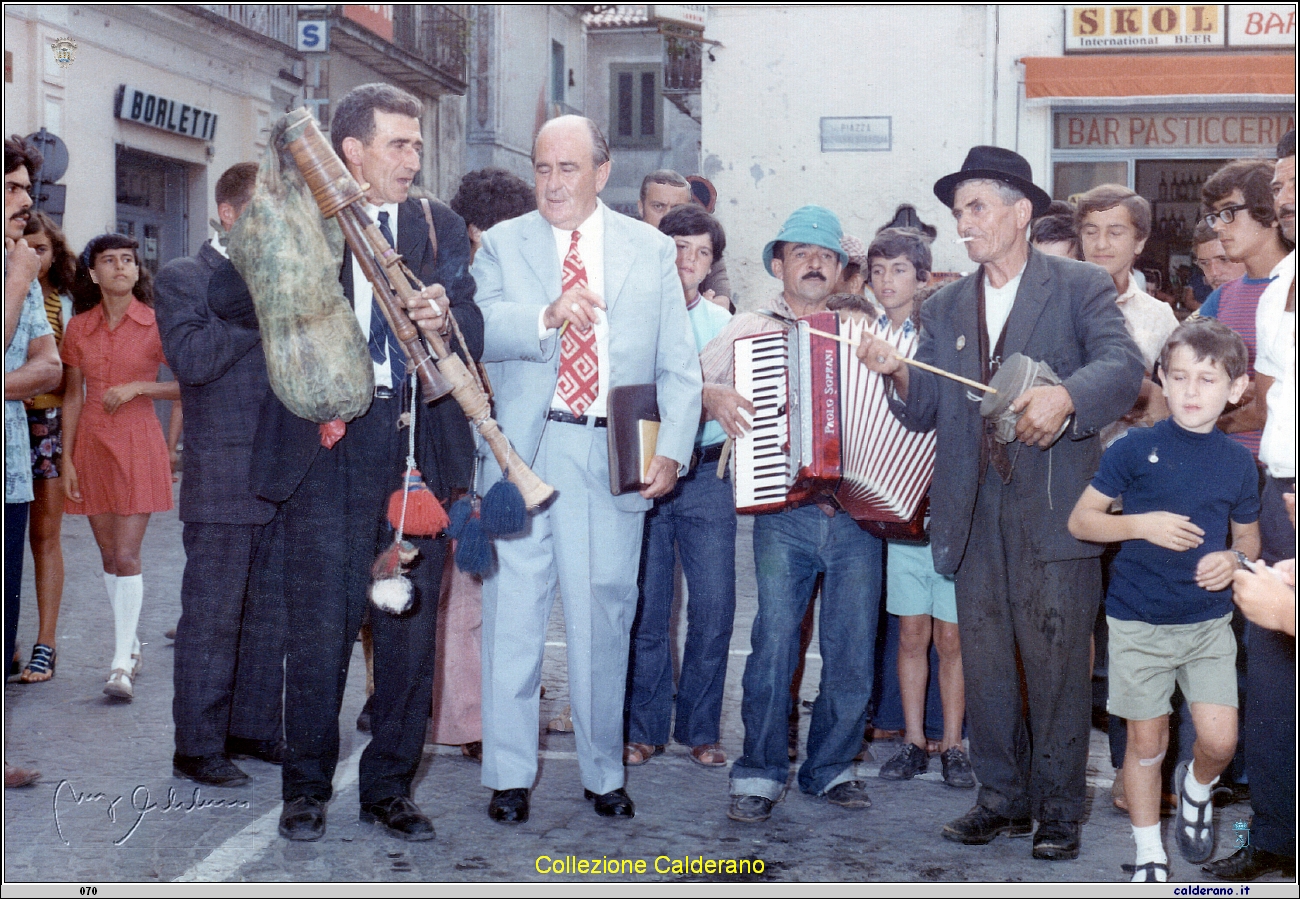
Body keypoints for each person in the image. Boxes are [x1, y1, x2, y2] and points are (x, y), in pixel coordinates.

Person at [857, 145, 1143, 860]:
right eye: (958, 213)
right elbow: (922, 409)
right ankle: (1000, 797)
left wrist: (1069, 395)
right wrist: (895, 373)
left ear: (1021, 213)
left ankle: (1057, 808)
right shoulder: (946, 302)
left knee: (1054, 667)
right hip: (971, 511)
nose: (964, 223)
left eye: (976, 208)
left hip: (1055, 511)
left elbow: (1123, 366)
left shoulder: (1079, 285)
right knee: (985, 662)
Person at [245, 82, 482, 843]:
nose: (414, 159)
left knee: (408, 632)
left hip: (416, 449)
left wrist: (444, 311)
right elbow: (229, 294)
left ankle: (389, 789)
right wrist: (276, 215)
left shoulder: (436, 226)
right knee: (318, 631)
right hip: (328, 450)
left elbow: (470, 315)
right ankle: (305, 791)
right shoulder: (298, 221)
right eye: (399, 144)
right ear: (351, 150)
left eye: (418, 144)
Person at [469, 115, 701, 825]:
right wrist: (546, 314)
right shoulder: (506, 243)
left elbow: (676, 364)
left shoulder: (648, 249)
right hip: (521, 455)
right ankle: (508, 775)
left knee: (605, 618)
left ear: (602, 173)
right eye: (543, 168)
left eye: (568, 168)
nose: (552, 182)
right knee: (511, 618)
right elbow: (475, 325)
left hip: (611, 453)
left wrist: (673, 447)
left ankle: (603, 772)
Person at [699, 205, 883, 824]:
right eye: (800, 253)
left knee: (853, 648)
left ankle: (831, 768)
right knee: (774, 642)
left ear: (839, 268)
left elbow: (902, 412)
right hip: (784, 512)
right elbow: (684, 385)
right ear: (778, 262)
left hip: (859, 512)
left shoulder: (867, 329)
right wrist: (710, 394)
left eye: (825, 256)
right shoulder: (746, 325)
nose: (813, 264)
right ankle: (758, 770)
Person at [1069, 318, 1261, 881]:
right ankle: (1150, 853)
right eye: (1179, 377)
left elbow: (1247, 539)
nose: (1192, 391)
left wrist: (1234, 560)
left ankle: (1197, 786)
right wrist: (1140, 524)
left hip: (1207, 624)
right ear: (1160, 380)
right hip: (1138, 622)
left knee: (1220, 741)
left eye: (1207, 379)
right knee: (1147, 743)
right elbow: (1082, 522)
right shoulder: (1135, 448)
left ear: (1236, 389)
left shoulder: (1236, 461)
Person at [155, 162, 286, 787]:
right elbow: (194, 359)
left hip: (279, 472)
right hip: (222, 474)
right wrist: (253, 302)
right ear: (229, 214)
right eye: (262, 211)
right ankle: (197, 744)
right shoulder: (185, 277)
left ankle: (251, 728)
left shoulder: (282, 278)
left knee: (269, 614)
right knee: (212, 615)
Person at [1204, 129, 1296, 883]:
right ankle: (1275, 834)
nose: (1286, 195)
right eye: (1283, 183)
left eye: (1294, 183)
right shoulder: (1278, 286)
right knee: (1270, 678)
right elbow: (1266, 407)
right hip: (1278, 492)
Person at [624, 203, 736, 769]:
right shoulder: (633, 315)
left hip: (709, 475)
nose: (687, 261)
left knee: (714, 607)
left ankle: (701, 729)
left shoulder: (727, 326)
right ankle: (644, 728)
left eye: (701, 253)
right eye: (677, 248)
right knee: (647, 607)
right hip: (647, 470)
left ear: (711, 264)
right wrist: (698, 393)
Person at [865, 228, 974, 791]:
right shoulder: (858, 334)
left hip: (939, 502)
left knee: (952, 637)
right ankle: (912, 739)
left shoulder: (939, 337)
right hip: (890, 504)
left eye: (900, 270)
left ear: (923, 278)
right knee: (911, 633)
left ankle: (953, 742)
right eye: (878, 271)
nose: (888, 281)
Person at [61, 233, 179, 701]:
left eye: (128, 260)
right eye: (109, 261)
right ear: (93, 273)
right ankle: (129, 646)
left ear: (137, 269)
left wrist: (139, 388)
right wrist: (67, 459)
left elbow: (188, 385)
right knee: (109, 558)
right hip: (91, 445)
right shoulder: (77, 328)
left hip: (137, 442)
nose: (120, 268)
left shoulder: (157, 323)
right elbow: (73, 394)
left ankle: (119, 666)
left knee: (128, 556)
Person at [4, 135, 60, 788]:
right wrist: (17, 281)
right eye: (13, 189)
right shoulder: (19, 268)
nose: (26, 202)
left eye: (26, 188)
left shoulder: (20, 262)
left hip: (14, 473)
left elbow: (51, 365)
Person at [1195, 160, 1290, 460]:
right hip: (1227, 471)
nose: (1219, 227)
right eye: (1214, 216)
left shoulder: (1290, 289)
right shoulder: (1221, 298)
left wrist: (1211, 426)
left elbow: (1273, 406)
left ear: (1270, 212)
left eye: (1229, 213)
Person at [16, 211, 75, 683]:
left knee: (44, 535)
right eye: (27, 246)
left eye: (42, 248)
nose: (34, 256)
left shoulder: (63, 304)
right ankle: (11, 642)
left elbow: (69, 379)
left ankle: (46, 642)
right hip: (13, 417)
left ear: (55, 253)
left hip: (46, 424)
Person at [1076, 185, 1177, 446]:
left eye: (1115, 232)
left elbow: (1179, 388)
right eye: (1091, 232)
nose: (1100, 244)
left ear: (1140, 241)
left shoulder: (1158, 315)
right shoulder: (1056, 303)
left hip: (1129, 463)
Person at [641, 169, 733, 311]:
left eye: (677, 208)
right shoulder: (624, 249)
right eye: (658, 206)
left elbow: (721, 305)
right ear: (641, 208)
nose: (667, 215)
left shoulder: (703, 250)